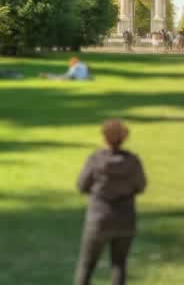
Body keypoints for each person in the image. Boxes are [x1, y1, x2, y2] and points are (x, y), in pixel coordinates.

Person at [74, 119, 147, 285]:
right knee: (119, 265)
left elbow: (81, 185)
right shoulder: (133, 161)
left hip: (99, 218)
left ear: (104, 138)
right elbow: (141, 186)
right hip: (125, 219)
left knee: (87, 265)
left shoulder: (95, 159)